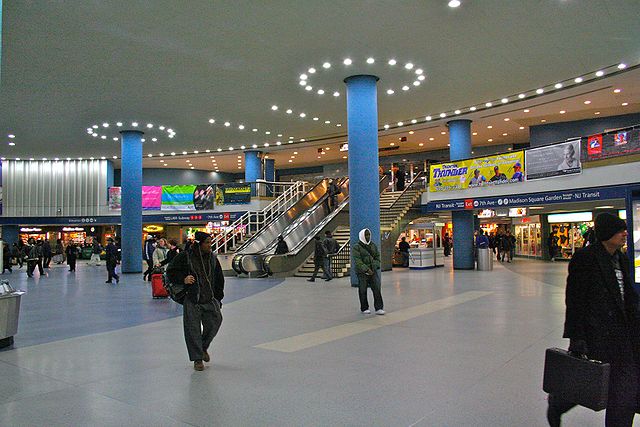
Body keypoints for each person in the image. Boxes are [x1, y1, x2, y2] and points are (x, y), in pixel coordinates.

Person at [547, 213, 639, 427]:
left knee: (624, 392)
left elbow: (629, 298)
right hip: (596, 334)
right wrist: (576, 337)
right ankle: (559, 402)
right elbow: (575, 300)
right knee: (588, 379)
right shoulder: (585, 259)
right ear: (607, 233)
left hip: (623, 336)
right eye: (619, 230)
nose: (625, 233)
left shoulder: (623, 259)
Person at [166, 231, 224, 372]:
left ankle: (203, 347)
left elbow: (219, 278)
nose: (210, 245)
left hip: (209, 298)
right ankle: (197, 359)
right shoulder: (185, 257)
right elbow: (170, 272)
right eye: (207, 242)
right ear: (199, 244)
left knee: (215, 321)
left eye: (210, 242)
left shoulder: (212, 259)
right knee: (193, 329)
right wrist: (183, 279)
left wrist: (218, 297)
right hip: (192, 299)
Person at [353, 228, 384, 315]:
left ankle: (379, 308)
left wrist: (374, 266)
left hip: (373, 271)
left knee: (377, 289)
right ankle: (364, 308)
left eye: (369, 235)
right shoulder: (356, 247)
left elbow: (377, 257)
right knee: (362, 290)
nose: (368, 236)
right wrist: (366, 269)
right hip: (362, 273)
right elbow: (358, 260)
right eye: (366, 235)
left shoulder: (373, 245)